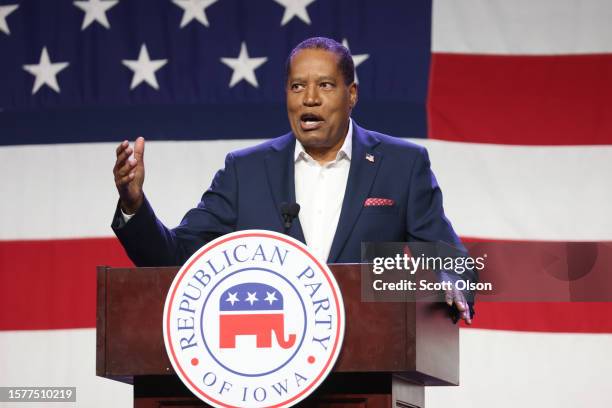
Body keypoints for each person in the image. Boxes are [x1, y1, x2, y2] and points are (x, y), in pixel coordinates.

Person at [112, 37, 474, 324]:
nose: (310, 99)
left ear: (351, 95)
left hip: (369, 364)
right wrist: (133, 205)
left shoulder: (401, 164)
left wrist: (451, 280)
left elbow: (450, 259)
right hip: (268, 364)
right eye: (298, 86)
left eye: (326, 85)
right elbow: (175, 258)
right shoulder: (245, 171)